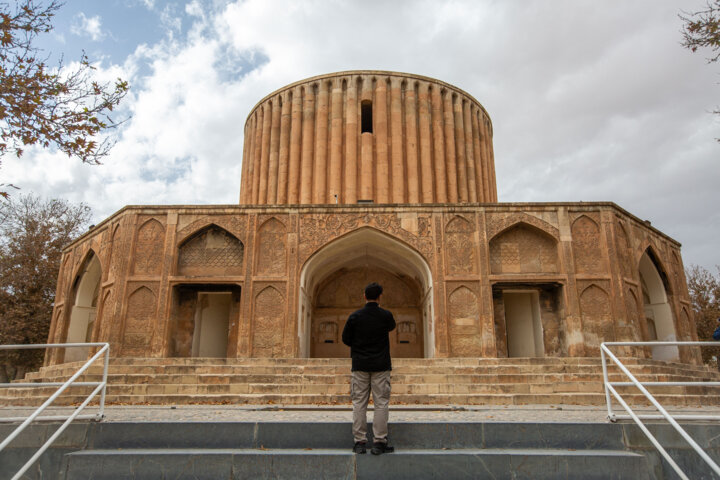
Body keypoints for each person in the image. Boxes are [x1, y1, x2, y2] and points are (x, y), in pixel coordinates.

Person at [342, 282, 396, 455]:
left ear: (364, 296)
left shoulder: (355, 316)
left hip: (360, 365)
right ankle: (379, 442)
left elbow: (345, 339)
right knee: (381, 403)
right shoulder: (386, 316)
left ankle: (360, 442)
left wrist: (359, 346)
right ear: (380, 297)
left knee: (359, 403)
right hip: (381, 365)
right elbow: (391, 327)